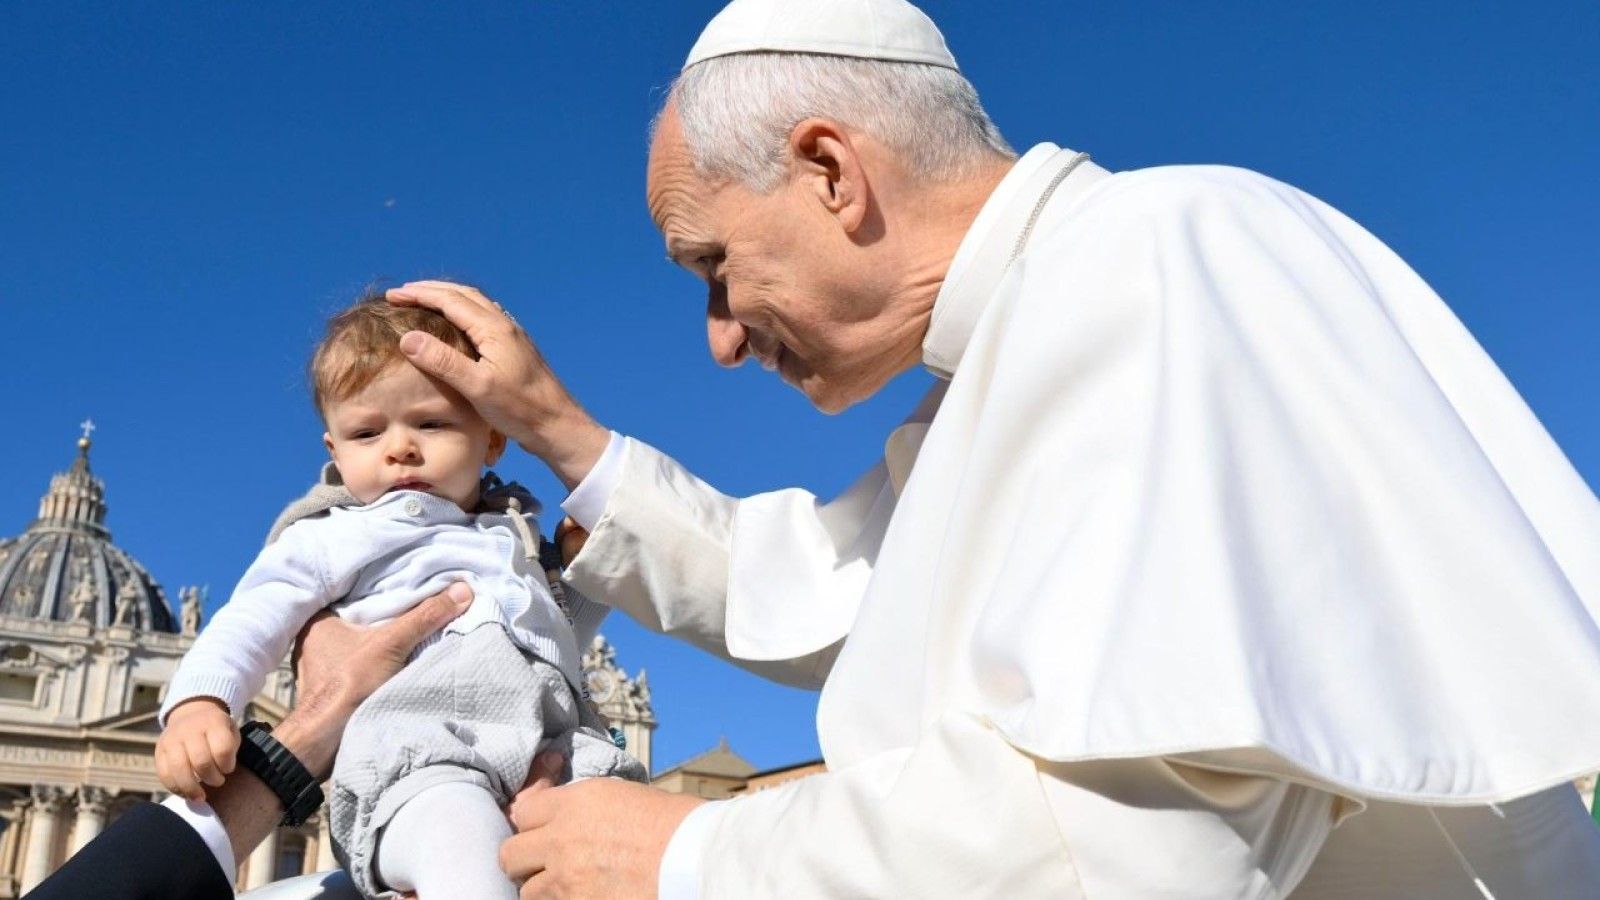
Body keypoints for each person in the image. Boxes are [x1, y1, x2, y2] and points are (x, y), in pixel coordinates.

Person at [391, 1, 1600, 897]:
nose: (719, 338)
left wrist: (690, 857)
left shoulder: (1151, 259)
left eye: (714, 265)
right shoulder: (1027, 339)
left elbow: (1133, 848)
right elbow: (821, 587)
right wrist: (558, 430)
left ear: (830, 171)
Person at [154, 298, 644, 899]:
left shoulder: (511, 538)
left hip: (555, 752)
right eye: (367, 433)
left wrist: (586, 573)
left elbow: (553, 640)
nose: (400, 447)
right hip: (421, 766)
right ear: (335, 452)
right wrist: (200, 703)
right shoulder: (330, 536)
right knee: (467, 851)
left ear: (492, 437)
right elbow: (250, 621)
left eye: (430, 424)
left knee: (636, 847)